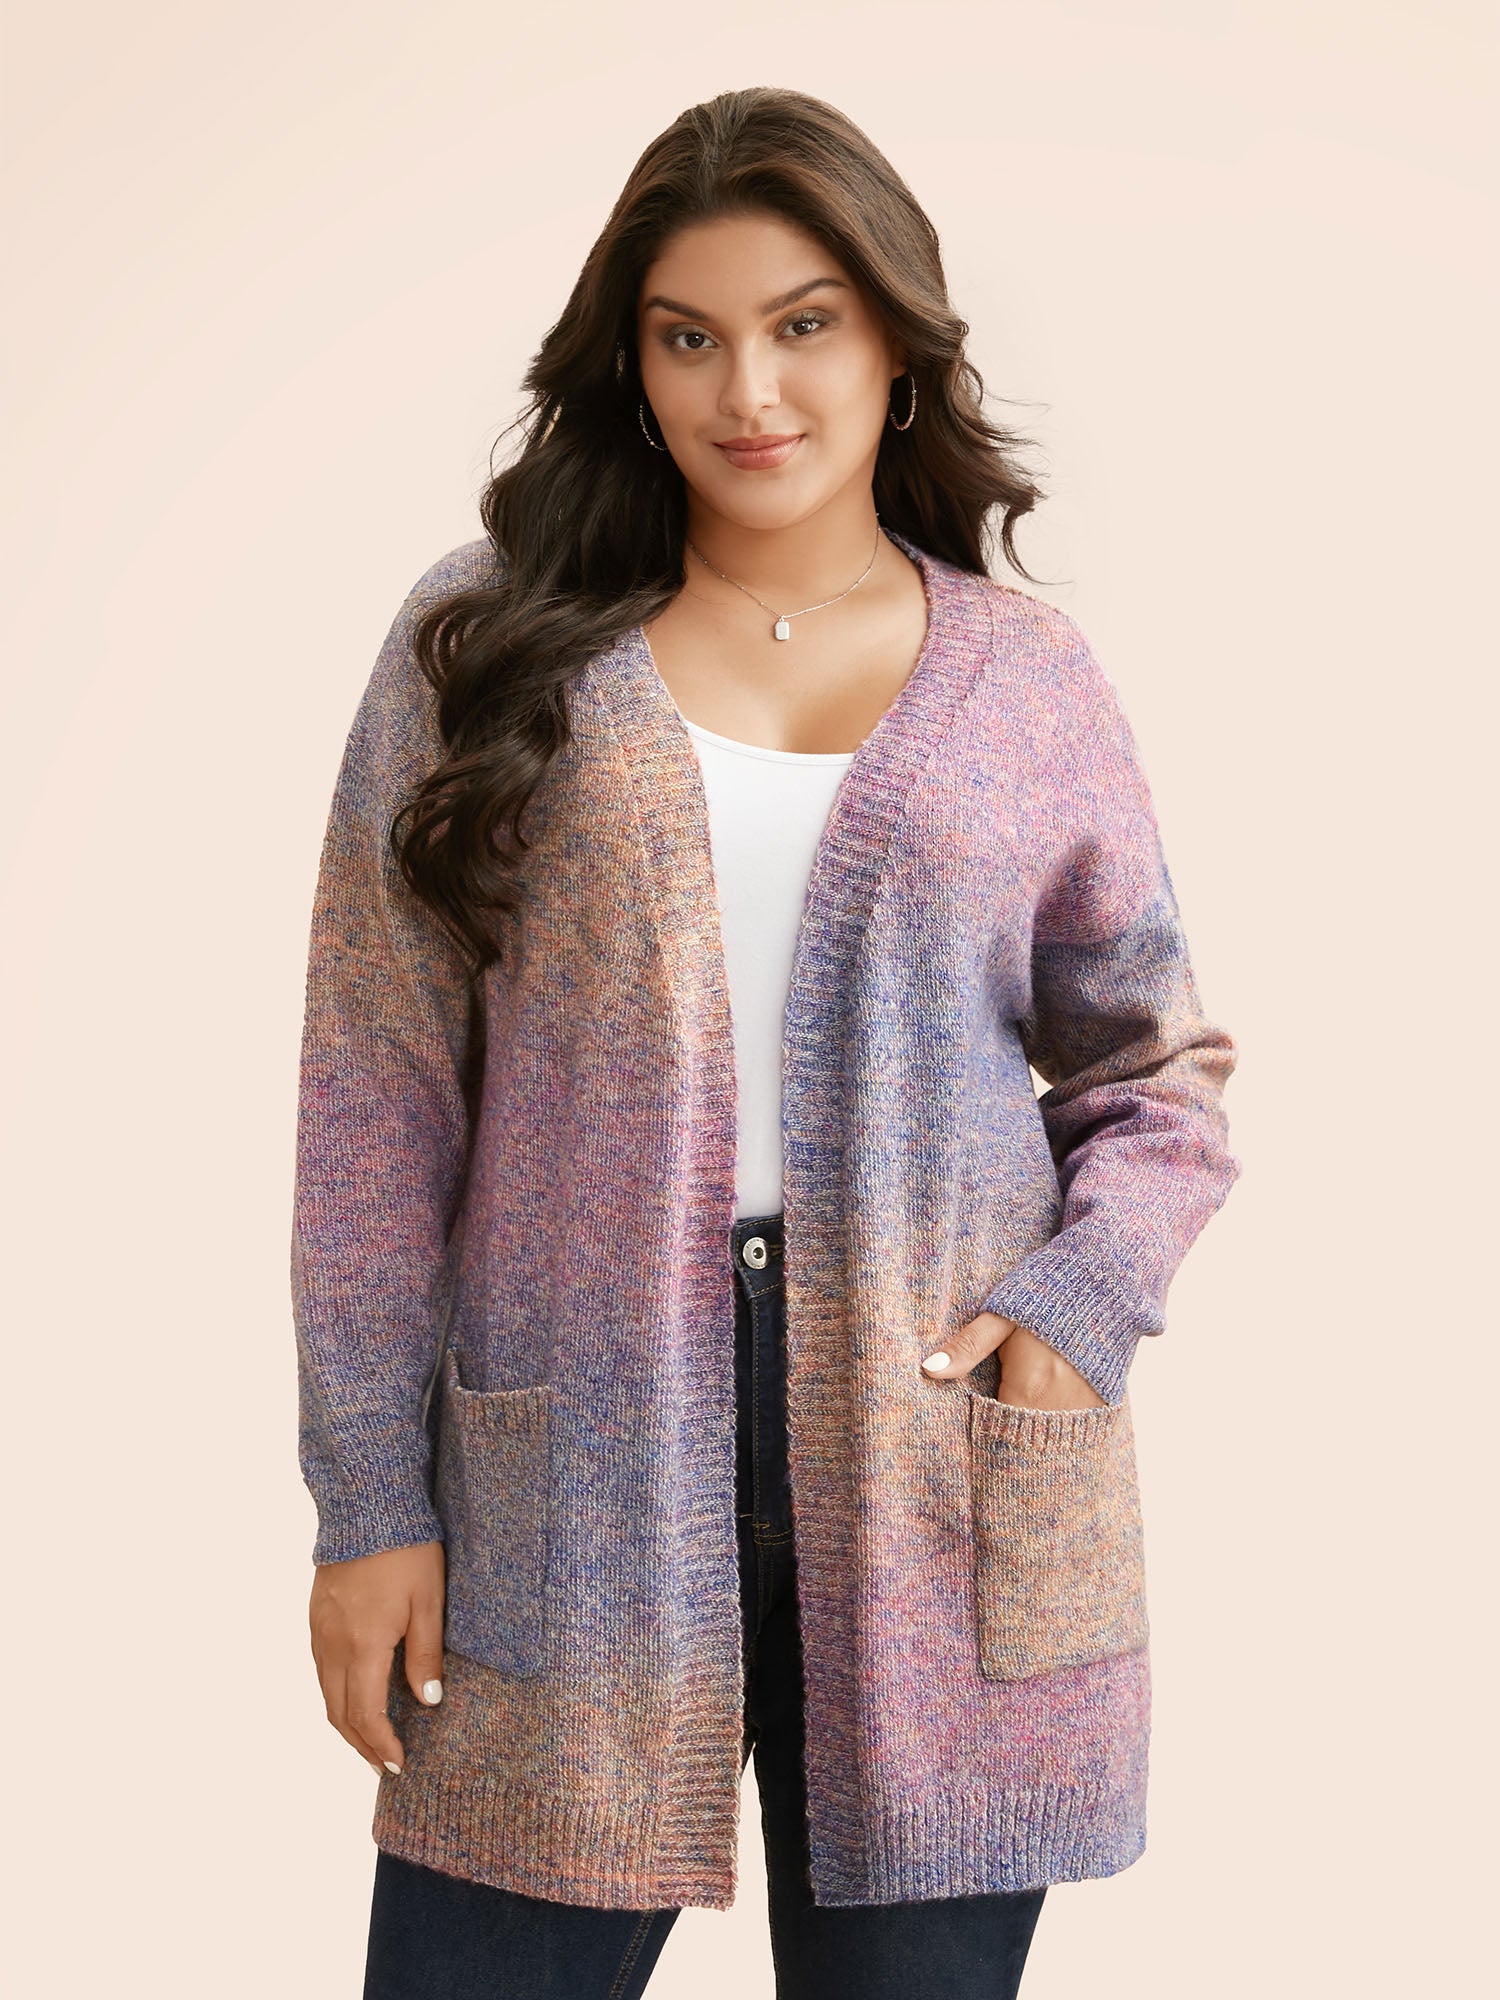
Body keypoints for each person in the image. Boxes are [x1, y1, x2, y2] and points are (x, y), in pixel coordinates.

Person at [292, 86, 1241, 2000]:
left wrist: (1075, 1311)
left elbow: (1153, 1075)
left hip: (938, 1475)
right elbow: (374, 1100)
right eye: (689, 336)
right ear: (629, 362)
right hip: (568, 1484)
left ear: (895, 339)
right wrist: (370, 1500)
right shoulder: (489, 644)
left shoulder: (1024, 681)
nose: (750, 391)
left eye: (805, 324)